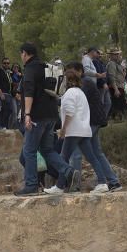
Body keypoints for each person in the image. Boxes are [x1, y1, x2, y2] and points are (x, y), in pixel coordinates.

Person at [15, 42, 79, 196]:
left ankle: (31, 185)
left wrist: (27, 114)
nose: (21, 57)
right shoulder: (45, 67)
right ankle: (68, 171)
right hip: (51, 115)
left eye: (21, 54)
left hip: (37, 115)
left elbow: (28, 92)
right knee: (46, 149)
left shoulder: (30, 69)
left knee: (29, 151)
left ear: (24, 53)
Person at [48, 67, 113, 194]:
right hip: (84, 130)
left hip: (73, 130)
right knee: (91, 157)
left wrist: (64, 129)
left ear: (67, 80)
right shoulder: (80, 92)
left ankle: (59, 186)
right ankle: (102, 182)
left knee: (63, 158)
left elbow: (69, 112)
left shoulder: (70, 93)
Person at [67, 61, 122, 192]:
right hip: (93, 121)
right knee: (97, 153)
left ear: (79, 71)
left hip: (90, 122)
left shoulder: (84, 83)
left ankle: (75, 185)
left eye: (71, 72)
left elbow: (76, 102)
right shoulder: (85, 82)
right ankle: (113, 182)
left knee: (76, 152)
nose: (69, 75)